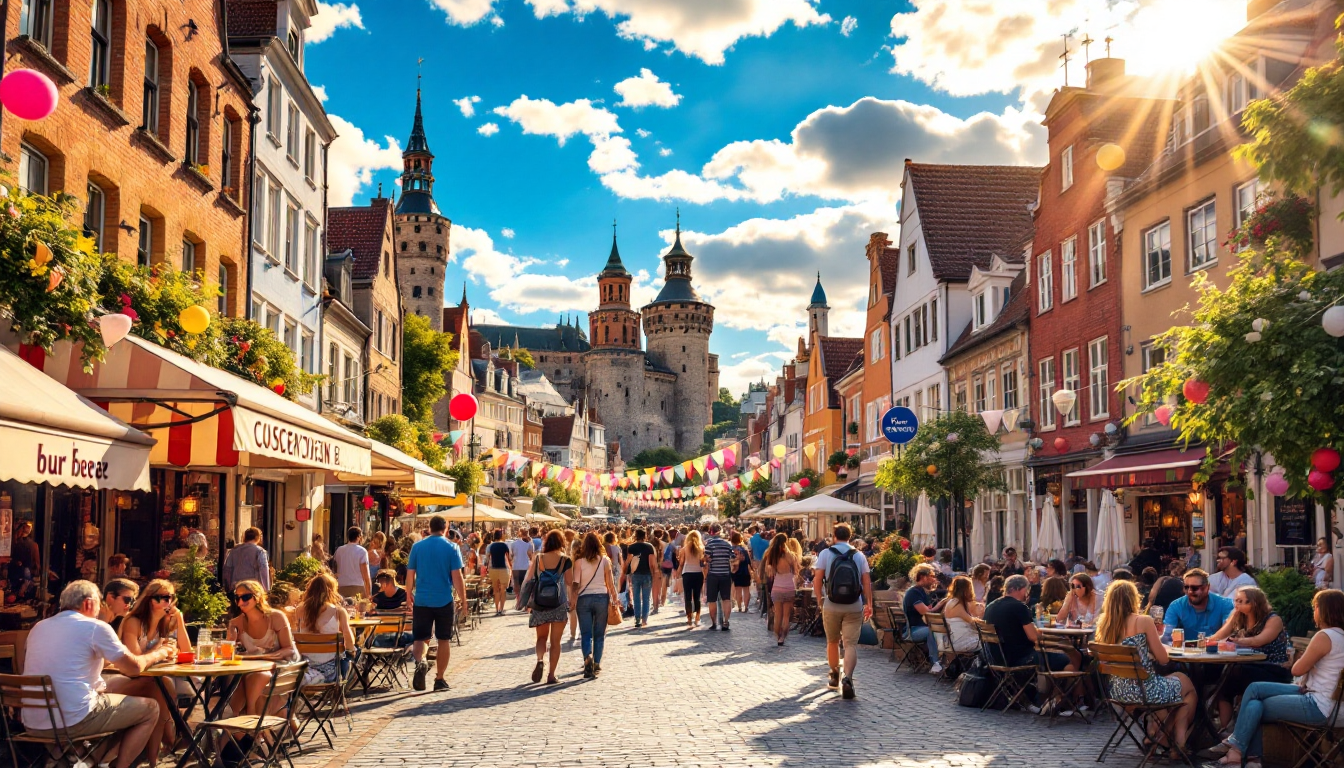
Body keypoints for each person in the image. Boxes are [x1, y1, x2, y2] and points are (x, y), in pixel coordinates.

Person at [22, 581, 176, 768]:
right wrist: (160, 653)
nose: (100, 608)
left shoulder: (39, 627)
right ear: (88, 603)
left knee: (131, 698)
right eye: (98, 602)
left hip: (33, 722)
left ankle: (87, 759)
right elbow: (134, 667)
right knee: (150, 708)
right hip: (72, 720)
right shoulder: (94, 627)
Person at [1211, 589, 1344, 768]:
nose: (1314, 612)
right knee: (1255, 688)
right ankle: (1247, 756)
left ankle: (1240, 753)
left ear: (1323, 610)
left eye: (1315, 607)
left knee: (1255, 706)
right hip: (1332, 704)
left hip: (1320, 706)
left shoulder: (1324, 636)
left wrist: (1305, 660)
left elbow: (1297, 669)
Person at [1094, 580, 1196, 750]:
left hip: (1118, 691)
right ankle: (1178, 741)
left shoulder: (1104, 625)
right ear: (1133, 598)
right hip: (1144, 691)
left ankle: (1160, 734)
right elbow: (1163, 659)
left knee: (1173, 686)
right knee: (1187, 686)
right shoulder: (1143, 620)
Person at [117, 579, 191, 765]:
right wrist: (159, 650)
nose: (169, 602)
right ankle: (172, 737)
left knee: (162, 688)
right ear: (151, 600)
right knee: (164, 687)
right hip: (124, 678)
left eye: (171, 598)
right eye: (164, 598)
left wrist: (180, 621)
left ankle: (155, 757)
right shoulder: (133, 622)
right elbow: (134, 659)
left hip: (152, 680)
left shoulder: (164, 623)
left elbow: (187, 652)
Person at [1207, 585, 1292, 732]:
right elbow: (1219, 635)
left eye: (1241, 601)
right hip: (1249, 665)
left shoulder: (1273, 619)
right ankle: (1225, 730)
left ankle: (1234, 729)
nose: (1236, 604)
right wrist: (1204, 642)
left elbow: (1259, 641)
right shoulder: (1239, 616)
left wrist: (1236, 641)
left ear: (1253, 603)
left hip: (1274, 668)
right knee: (1222, 680)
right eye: (1236, 601)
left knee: (1234, 673)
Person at [405, 515, 467, 692]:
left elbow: (410, 573)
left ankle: (421, 662)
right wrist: (463, 599)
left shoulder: (417, 547)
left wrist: (408, 594)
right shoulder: (452, 547)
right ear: (446, 529)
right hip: (443, 600)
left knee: (420, 637)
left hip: (422, 599)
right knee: (443, 639)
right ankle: (439, 679)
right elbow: (457, 577)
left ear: (429, 528)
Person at [813, 524, 873, 699]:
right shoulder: (859, 555)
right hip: (854, 604)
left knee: (832, 641)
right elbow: (866, 581)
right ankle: (848, 678)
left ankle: (834, 674)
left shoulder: (825, 554)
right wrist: (868, 603)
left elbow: (818, 579)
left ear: (834, 536)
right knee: (850, 644)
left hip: (831, 604)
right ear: (850, 536)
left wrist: (819, 599)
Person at [226, 579, 299, 716]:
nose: (240, 602)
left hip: (280, 666)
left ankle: (251, 715)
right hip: (253, 668)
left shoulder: (276, 617)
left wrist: (265, 657)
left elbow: (289, 649)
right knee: (243, 679)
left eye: (245, 597)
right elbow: (227, 655)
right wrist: (232, 639)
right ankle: (245, 725)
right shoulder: (236, 623)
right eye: (237, 598)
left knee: (255, 677)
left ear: (257, 596)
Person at [525, 530, 572, 684]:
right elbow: (570, 583)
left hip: (540, 602)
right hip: (558, 602)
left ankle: (540, 660)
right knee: (556, 641)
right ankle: (551, 675)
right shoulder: (565, 560)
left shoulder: (538, 558)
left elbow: (529, 578)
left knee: (541, 637)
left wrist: (525, 600)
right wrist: (572, 601)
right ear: (561, 542)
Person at [295, 572, 358, 688]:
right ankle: (343, 689)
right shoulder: (338, 612)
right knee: (354, 652)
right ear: (331, 590)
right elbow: (349, 643)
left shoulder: (299, 610)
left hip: (305, 667)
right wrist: (352, 651)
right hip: (330, 672)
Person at [571, 532, 618, 679]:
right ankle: (596, 663)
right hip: (601, 598)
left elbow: (576, 584)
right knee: (599, 634)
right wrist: (615, 598)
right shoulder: (605, 560)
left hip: (583, 598)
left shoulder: (579, 562)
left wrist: (573, 600)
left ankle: (587, 657)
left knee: (585, 633)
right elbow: (610, 583)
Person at [1162, 568, 1234, 644]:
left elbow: (1228, 632)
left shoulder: (1225, 604)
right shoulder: (1176, 606)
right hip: (1186, 653)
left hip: (1215, 652)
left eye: (1194, 588)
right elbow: (1166, 636)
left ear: (1207, 587)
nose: (1189, 591)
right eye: (1186, 587)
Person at [763, 534, 802, 646]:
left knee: (778, 615)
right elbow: (796, 572)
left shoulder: (772, 556)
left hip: (777, 588)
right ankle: (783, 637)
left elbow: (768, 571)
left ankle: (778, 635)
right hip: (789, 587)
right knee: (786, 616)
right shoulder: (791, 556)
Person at [933, 575, 982, 653]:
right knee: (988, 642)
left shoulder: (951, 602)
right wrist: (982, 620)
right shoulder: (957, 605)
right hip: (959, 643)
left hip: (952, 641)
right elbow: (972, 621)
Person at [701, 523, 735, 631]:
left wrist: (706, 560)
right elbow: (733, 558)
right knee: (726, 599)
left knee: (712, 600)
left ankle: (714, 623)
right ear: (720, 531)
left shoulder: (709, 544)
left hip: (713, 575)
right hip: (725, 574)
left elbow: (706, 559)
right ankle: (725, 622)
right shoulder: (727, 544)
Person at [624, 527, 656, 628]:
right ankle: (644, 620)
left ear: (635, 536)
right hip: (647, 574)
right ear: (645, 536)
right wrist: (653, 575)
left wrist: (625, 572)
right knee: (646, 598)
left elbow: (628, 562)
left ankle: (637, 619)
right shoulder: (649, 547)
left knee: (636, 598)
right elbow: (652, 563)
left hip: (635, 574)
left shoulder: (631, 547)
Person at [223, 526, 271, 592]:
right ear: (258, 537)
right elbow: (263, 571)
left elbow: (227, 570)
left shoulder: (233, 551)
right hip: (252, 588)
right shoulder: (260, 551)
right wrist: (266, 589)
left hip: (236, 587)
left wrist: (228, 588)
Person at [333, 526, 373, 600]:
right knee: (356, 607)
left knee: (344, 608)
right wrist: (369, 595)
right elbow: (366, 575)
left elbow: (335, 568)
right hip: (357, 588)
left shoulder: (339, 550)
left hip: (341, 587)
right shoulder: (362, 551)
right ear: (359, 537)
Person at [679, 530, 706, 629]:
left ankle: (689, 617)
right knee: (697, 597)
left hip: (687, 573)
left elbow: (681, 563)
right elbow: (703, 563)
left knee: (687, 596)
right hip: (698, 573)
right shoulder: (702, 548)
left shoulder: (684, 549)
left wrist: (678, 573)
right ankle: (697, 618)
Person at [484, 529, 512, 616]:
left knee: (496, 590)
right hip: (504, 569)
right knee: (503, 590)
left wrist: (486, 568)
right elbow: (509, 557)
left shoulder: (490, 546)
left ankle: (496, 609)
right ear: (501, 536)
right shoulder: (505, 545)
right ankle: (501, 609)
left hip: (493, 569)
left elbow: (487, 559)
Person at [729, 531, 753, 614]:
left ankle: (739, 607)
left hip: (736, 572)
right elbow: (749, 562)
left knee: (738, 590)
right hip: (745, 572)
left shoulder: (731, 550)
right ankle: (746, 607)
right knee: (746, 590)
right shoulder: (744, 550)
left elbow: (730, 561)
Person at [509, 530, 535, 599]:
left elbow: (511, 555)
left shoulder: (513, 544)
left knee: (517, 585)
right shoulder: (529, 544)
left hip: (516, 566)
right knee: (525, 585)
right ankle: (524, 602)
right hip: (525, 566)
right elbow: (531, 555)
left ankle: (518, 600)